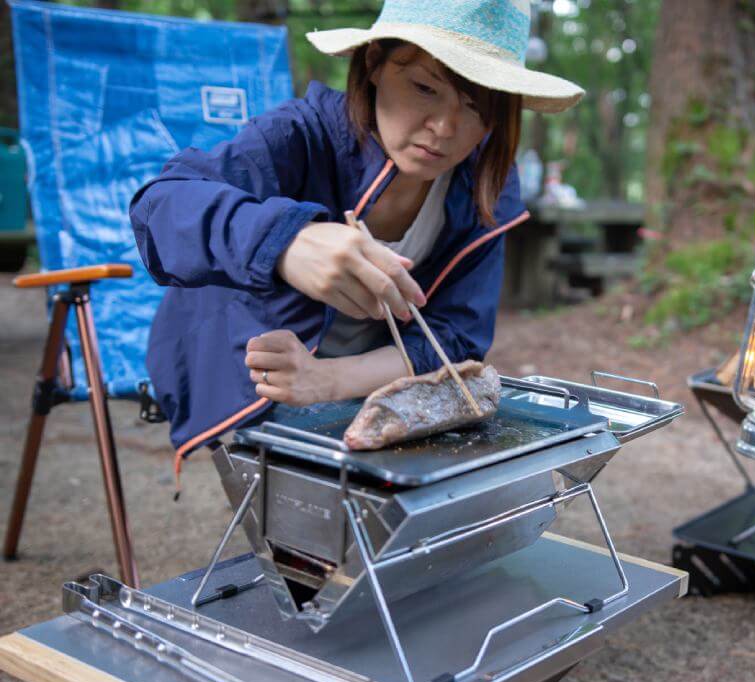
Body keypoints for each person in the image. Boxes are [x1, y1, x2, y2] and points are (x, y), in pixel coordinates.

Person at [130, 0, 583, 471]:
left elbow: (457, 338)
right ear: (374, 64)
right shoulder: (301, 135)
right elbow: (159, 209)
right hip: (242, 376)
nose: (445, 128)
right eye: (425, 88)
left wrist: (325, 380)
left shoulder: (485, 181)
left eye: (477, 106)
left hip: (361, 385)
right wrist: (285, 242)